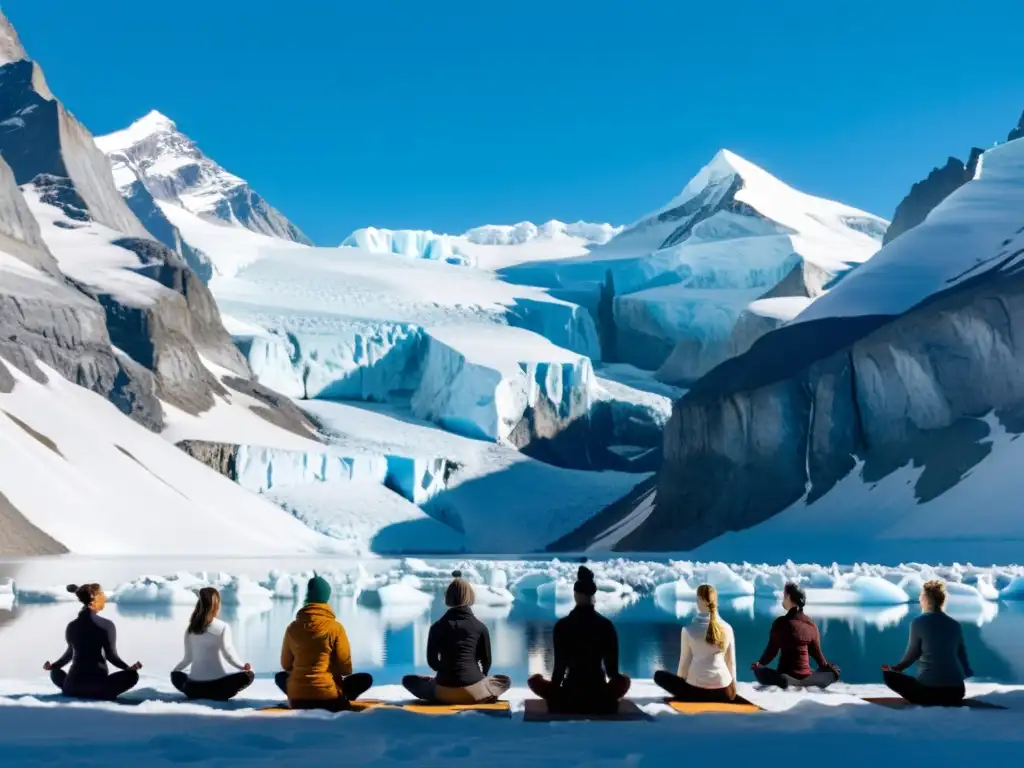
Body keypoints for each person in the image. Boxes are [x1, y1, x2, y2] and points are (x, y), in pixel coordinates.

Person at [527, 565, 631, 714]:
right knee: (624, 680)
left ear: (575, 595)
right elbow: (612, 671)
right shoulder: (606, 626)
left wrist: (553, 693)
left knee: (534, 680)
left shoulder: (563, 626)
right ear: (593, 596)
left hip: (570, 695)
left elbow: (559, 670)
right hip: (599, 694)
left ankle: (565, 701)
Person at [402, 571, 511, 704]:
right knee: (504, 680)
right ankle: (483, 694)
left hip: (443, 691)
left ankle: (441, 691)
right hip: (473, 693)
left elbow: (432, 661)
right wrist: (479, 678)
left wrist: (446, 671)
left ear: (448, 597)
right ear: (471, 597)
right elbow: (486, 662)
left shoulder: (437, 626)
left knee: (408, 680)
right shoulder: (480, 627)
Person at [275, 575, 373, 711]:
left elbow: (286, 664)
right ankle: (341, 697)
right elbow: (346, 668)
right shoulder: (335, 628)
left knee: (281, 677)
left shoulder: (292, 628)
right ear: (326, 597)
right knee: (365, 678)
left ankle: (304, 693)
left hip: (297, 700)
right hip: (329, 699)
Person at [43, 583, 142, 701]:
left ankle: (70, 686)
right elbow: (112, 656)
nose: (105, 599)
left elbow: (69, 654)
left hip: (72, 688)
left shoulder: (72, 625)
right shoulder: (106, 625)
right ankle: (100, 691)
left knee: (56, 672)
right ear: (95, 598)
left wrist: (53, 666)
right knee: (132, 676)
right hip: (98, 689)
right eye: (102, 595)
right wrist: (128, 668)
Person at [882, 580, 973, 706]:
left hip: (929, 693)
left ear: (925, 599)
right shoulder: (955, 624)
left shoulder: (918, 622)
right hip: (956, 692)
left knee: (889, 676)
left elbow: (911, 656)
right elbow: (963, 660)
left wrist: (894, 670)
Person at [654, 584, 737, 702]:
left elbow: (684, 665)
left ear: (699, 601)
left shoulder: (688, 630)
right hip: (724, 692)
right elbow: (731, 663)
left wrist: (680, 687)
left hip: (696, 692)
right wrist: (732, 691)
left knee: (659, 676)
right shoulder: (728, 628)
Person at [170, 587, 255, 701]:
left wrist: (175, 672)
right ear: (216, 605)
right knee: (248, 676)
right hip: (217, 689)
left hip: (193, 689)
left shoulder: (191, 628)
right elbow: (228, 654)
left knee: (177, 676)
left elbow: (188, 658)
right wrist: (243, 667)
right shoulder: (223, 627)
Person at [752, 582, 840, 689]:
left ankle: (791, 682)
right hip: (807, 677)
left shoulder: (781, 623)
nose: (783, 599)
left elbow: (771, 651)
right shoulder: (811, 624)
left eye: (784, 596)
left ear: (788, 597)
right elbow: (817, 655)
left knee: (763, 672)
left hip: (786, 677)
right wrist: (828, 668)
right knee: (834, 670)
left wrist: (759, 664)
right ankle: (808, 682)